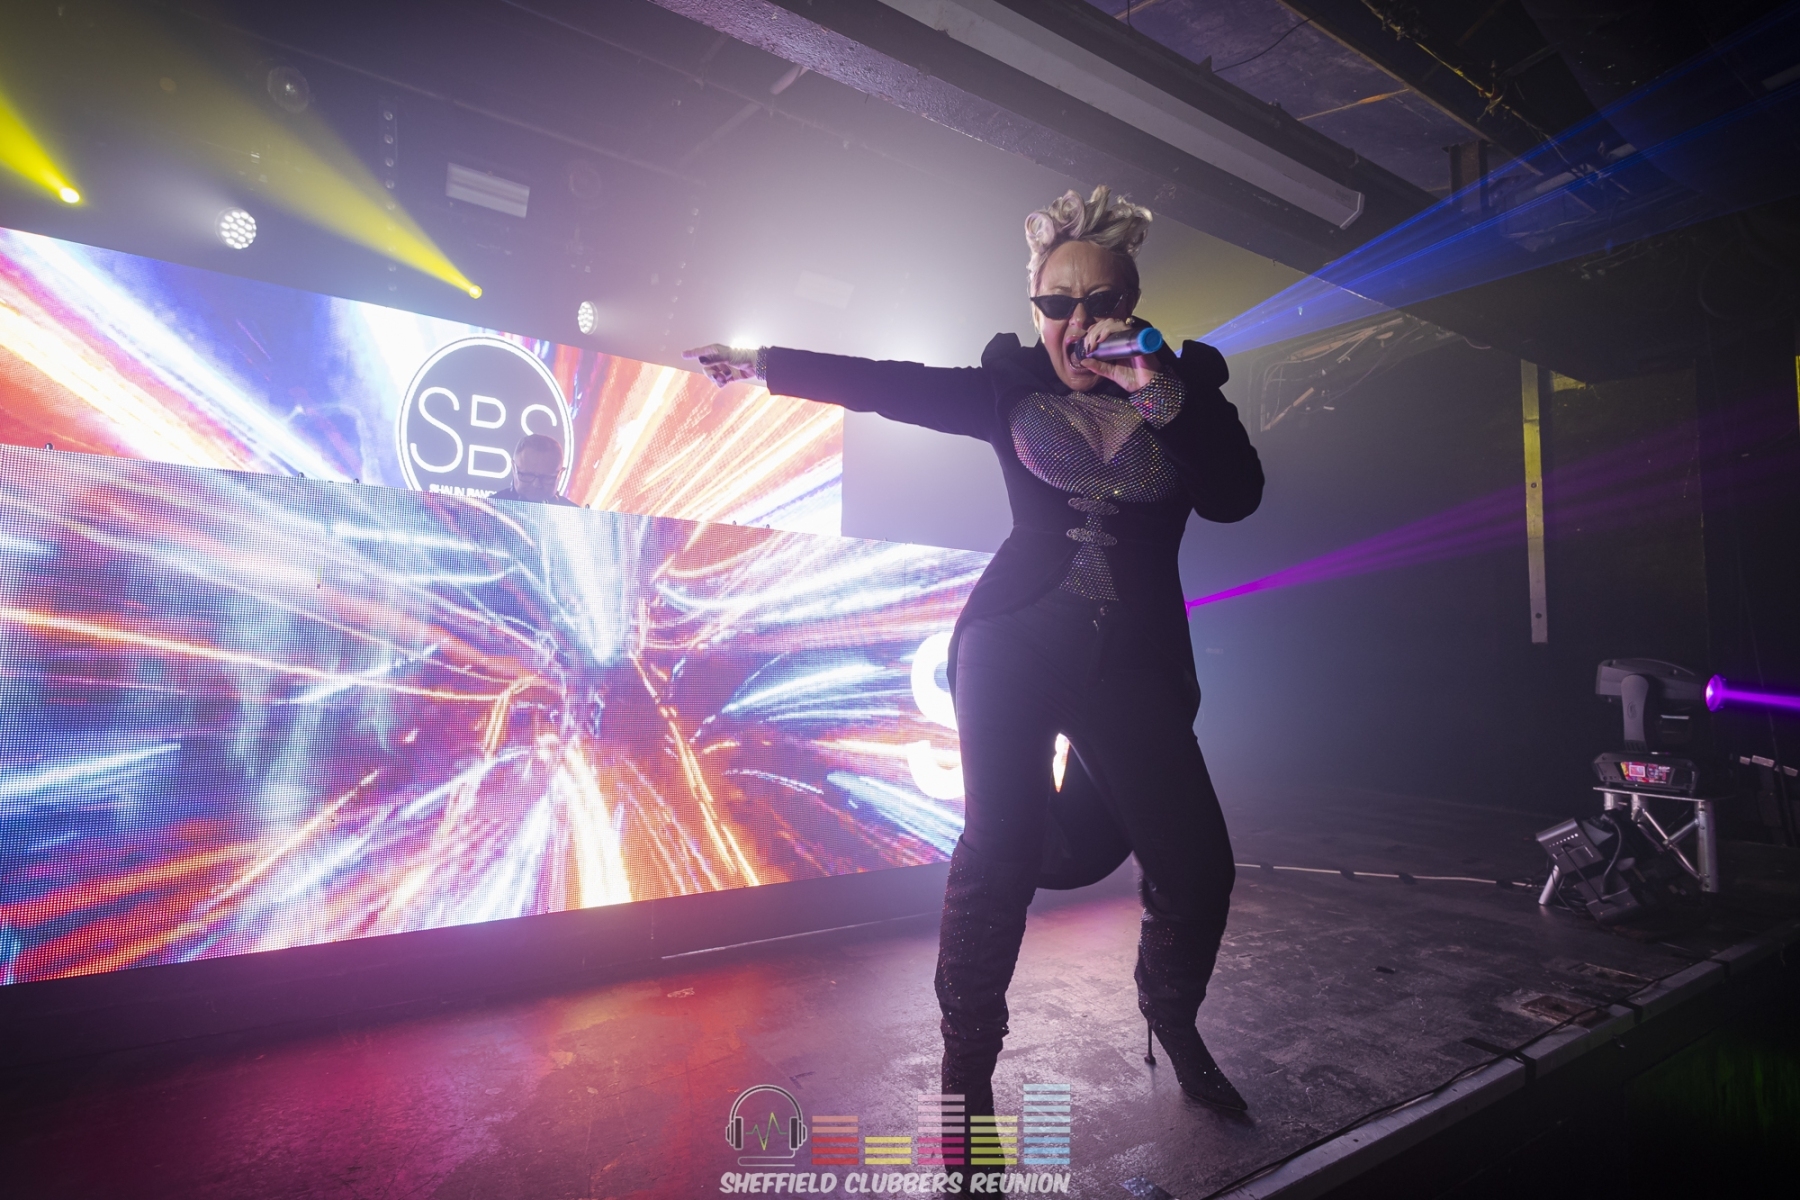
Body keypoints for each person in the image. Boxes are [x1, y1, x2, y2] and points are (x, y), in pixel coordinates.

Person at [685, 186, 1264, 1135]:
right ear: (1035, 310)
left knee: (1198, 868)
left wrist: (1155, 385)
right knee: (999, 853)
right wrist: (764, 364)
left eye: (1100, 301)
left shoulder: (1182, 391)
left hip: (1133, 660)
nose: (1076, 322)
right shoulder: (1008, 389)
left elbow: (1236, 495)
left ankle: (1171, 1019)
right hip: (1012, 641)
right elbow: (889, 382)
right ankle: (967, 1094)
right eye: (1056, 303)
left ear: (1131, 306)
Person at [486, 432, 579, 505]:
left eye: (546, 478)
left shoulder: (577, 517)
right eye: (527, 475)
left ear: (560, 474)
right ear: (513, 468)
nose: (536, 484)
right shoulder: (487, 510)